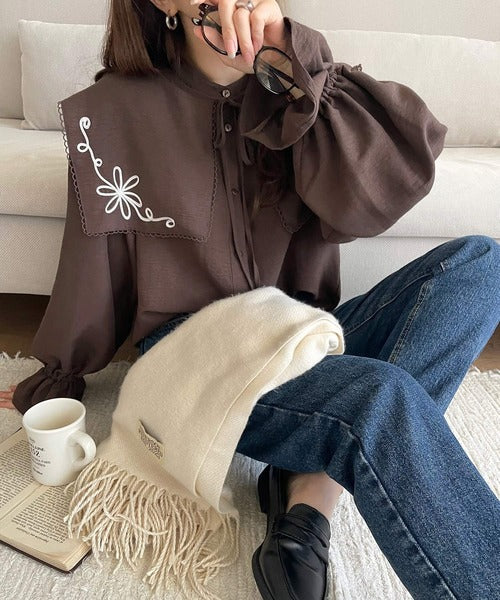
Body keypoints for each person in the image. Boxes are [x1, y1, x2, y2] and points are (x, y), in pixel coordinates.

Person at [1, 1, 499, 598]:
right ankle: (317, 486)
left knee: (482, 265)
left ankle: (307, 484)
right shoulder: (112, 113)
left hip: (299, 337)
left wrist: (293, 62)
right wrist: (57, 379)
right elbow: (91, 269)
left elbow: (377, 192)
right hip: (199, 364)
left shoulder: (299, 89)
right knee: (380, 395)